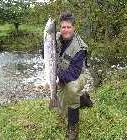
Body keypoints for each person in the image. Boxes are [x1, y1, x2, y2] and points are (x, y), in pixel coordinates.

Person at [42, 12, 93, 140]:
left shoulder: (80, 47)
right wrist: (45, 48)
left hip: (77, 76)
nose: (65, 30)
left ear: (74, 27)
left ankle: (73, 124)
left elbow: (74, 71)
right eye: (63, 27)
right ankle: (83, 99)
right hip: (59, 75)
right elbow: (44, 55)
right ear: (59, 28)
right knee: (61, 112)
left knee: (71, 89)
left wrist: (58, 78)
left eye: (68, 27)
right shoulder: (54, 38)